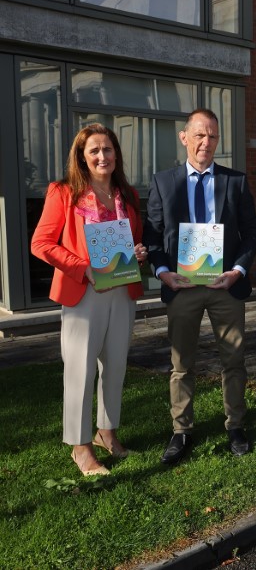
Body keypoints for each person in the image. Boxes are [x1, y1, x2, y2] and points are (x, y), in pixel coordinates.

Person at [144, 108, 256, 465]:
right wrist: (163, 272)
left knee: (234, 361)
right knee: (181, 363)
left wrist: (239, 271)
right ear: (184, 137)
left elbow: (250, 233)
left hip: (225, 284)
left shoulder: (235, 181)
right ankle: (181, 431)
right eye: (199, 135)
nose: (205, 142)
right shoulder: (164, 182)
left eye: (212, 136)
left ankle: (236, 425)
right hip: (181, 286)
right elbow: (152, 235)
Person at [31, 123, 147, 476]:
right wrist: (84, 268)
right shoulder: (63, 192)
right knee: (80, 370)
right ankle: (80, 447)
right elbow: (42, 243)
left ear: (116, 154)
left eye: (107, 149)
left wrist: (138, 252)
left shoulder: (127, 194)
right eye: (94, 150)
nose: (102, 156)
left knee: (115, 366)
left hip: (122, 291)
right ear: (81, 157)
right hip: (83, 293)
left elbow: (134, 238)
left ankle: (106, 433)